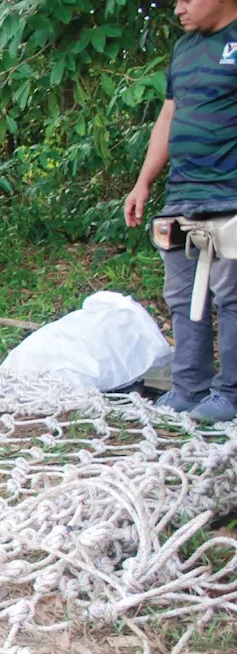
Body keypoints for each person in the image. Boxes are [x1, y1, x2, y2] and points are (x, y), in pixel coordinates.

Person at [125, 0, 237, 424]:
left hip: (230, 194)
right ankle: (189, 388)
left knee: (231, 296)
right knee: (182, 295)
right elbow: (169, 115)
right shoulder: (184, 50)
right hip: (183, 194)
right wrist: (143, 181)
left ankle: (230, 393)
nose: (178, 8)